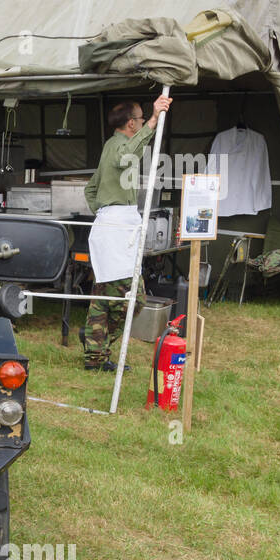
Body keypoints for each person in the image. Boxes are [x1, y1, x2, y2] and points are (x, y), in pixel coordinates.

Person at [81, 95, 173, 371]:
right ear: (132, 124)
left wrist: (105, 212)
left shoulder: (112, 145)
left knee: (108, 295)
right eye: (142, 119)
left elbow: (91, 189)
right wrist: (154, 122)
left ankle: (95, 348)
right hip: (115, 227)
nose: (144, 122)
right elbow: (125, 159)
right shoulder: (119, 147)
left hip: (114, 224)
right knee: (128, 297)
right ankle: (97, 348)